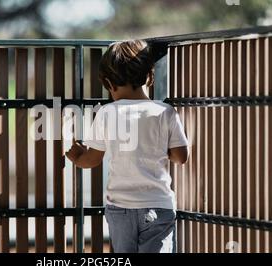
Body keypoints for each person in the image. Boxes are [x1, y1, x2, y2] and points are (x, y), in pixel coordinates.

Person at [65, 40, 189, 253]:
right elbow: (180, 156)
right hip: (157, 205)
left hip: (120, 208)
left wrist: (77, 156)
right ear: (150, 76)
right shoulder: (164, 112)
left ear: (109, 83)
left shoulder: (107, 113)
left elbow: (92, 159)